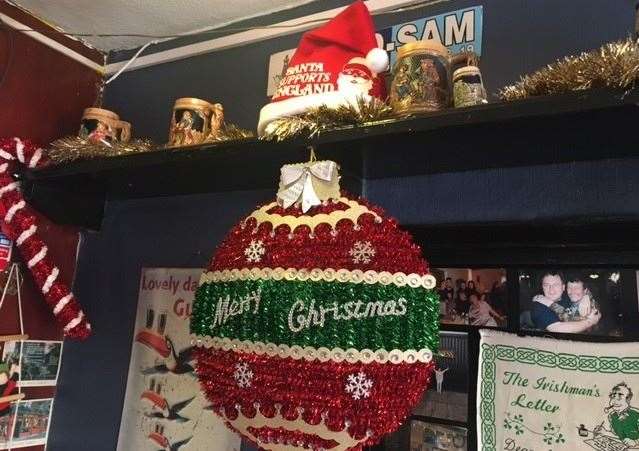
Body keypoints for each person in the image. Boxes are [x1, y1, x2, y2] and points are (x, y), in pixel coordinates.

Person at [531, 271, 600, 333]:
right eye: (546, 285)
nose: (572, 291)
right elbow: (559, 328)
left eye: (556, 285)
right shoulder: (539, 307)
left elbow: (569, 317)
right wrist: (590, 322)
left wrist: (587, 296)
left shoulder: (588, 303)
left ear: (563, 287)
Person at [594, 382, 639, 446]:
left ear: (628, 399)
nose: (614, 400)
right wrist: (604, 432)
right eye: (613, 396)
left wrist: (635, 442)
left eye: (620, 396)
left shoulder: (636, 414)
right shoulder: (612, 416)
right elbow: (618, 437)